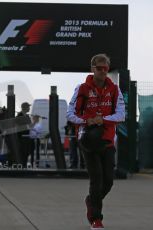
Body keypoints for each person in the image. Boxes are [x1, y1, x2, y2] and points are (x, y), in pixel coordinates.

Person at [66, 53, 125, 229]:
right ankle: (96, 219)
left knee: (108, 181)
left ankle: (90, 201)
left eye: (105, 68)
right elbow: (70, 114)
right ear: (93, 69)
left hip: (107, 140)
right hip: (88, 139)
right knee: (96, 179)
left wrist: (103, 119)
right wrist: (87, 120)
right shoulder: (82, 88)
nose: (103, 71)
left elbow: (121, 114)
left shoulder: (115, 89)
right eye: (99, 68)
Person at [16, 102, 33, 168]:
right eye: (28, 107)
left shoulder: (27, 116)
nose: (29, 108)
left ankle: (24, 165)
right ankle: (22, 166)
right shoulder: (19, 116)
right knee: (22, 153)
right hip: (21, 138)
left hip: (27, 137)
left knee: (26, 153)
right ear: (25, 108)